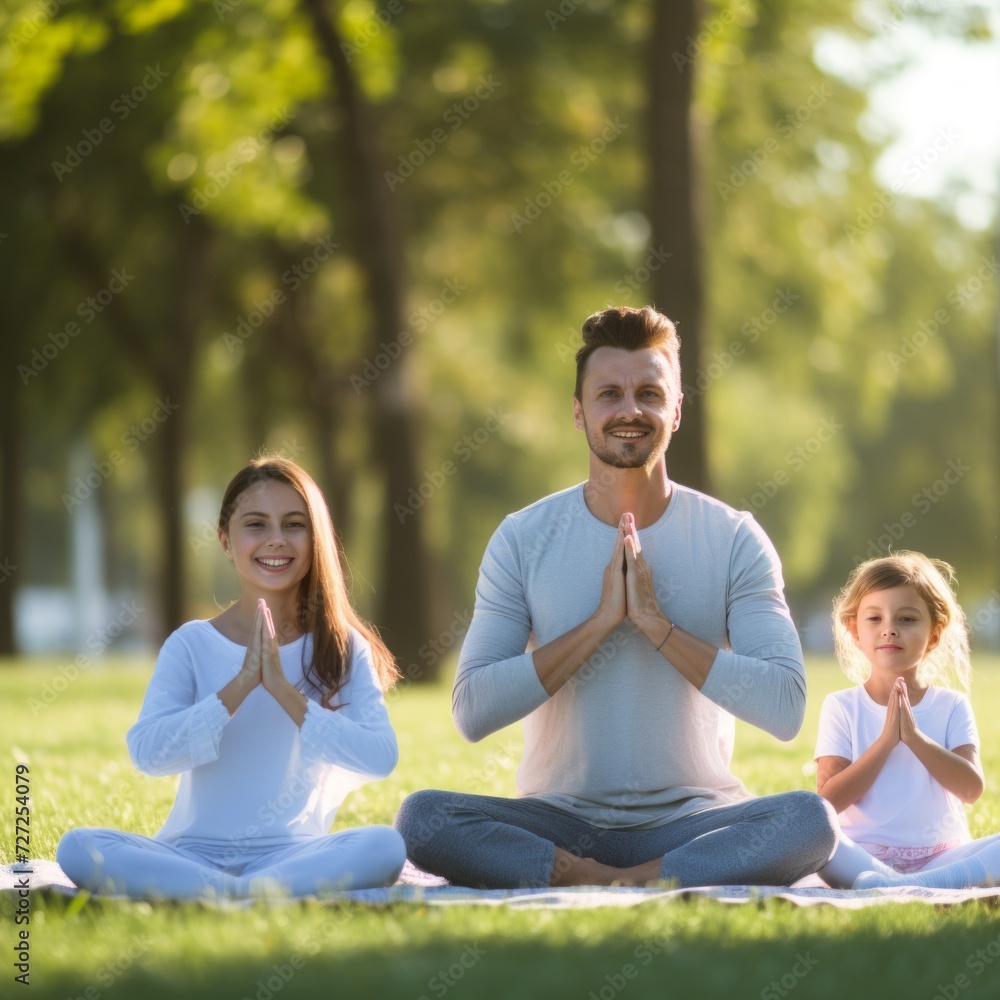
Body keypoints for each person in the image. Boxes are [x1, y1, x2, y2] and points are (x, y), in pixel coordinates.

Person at [394, 305, 837, 888]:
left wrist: (658, 627)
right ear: (579, 413)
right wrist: (600, 622)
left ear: (675, 411)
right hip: (559, 819)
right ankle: (593, 872)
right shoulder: (523, 538)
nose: (630, 410)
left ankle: (639, 873)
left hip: (691, 819)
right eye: (609, 394)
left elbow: (784, 708)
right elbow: (472, 711)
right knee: (421, 820)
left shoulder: (733, 538)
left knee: (810, 821)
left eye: (649, 394)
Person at [57, 456, 406, 898]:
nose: (276, 541)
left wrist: (283, 691)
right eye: (256, 525)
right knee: (78, 847)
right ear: (225, 540)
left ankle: (221, 894)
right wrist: (238, 687)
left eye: (294, 525)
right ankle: (248, 893)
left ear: (315, 538)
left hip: (293, 853)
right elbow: (148, 753)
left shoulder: (342, 646)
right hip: (189, 853)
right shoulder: (191, 643)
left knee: (385, 845)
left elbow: (380, 757)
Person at [814, 551, 998, 890]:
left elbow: (971, 789)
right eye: (875, 619)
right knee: (810, 832)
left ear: (935, 632)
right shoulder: (841, 706)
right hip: (862, 856)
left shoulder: (952, 705)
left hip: (943, 856)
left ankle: (918, 882)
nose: (889, 630)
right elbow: (828, 802)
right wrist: (886, 743)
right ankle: (922, 884)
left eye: (907, 619)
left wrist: (914, 738)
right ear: (854, 630)